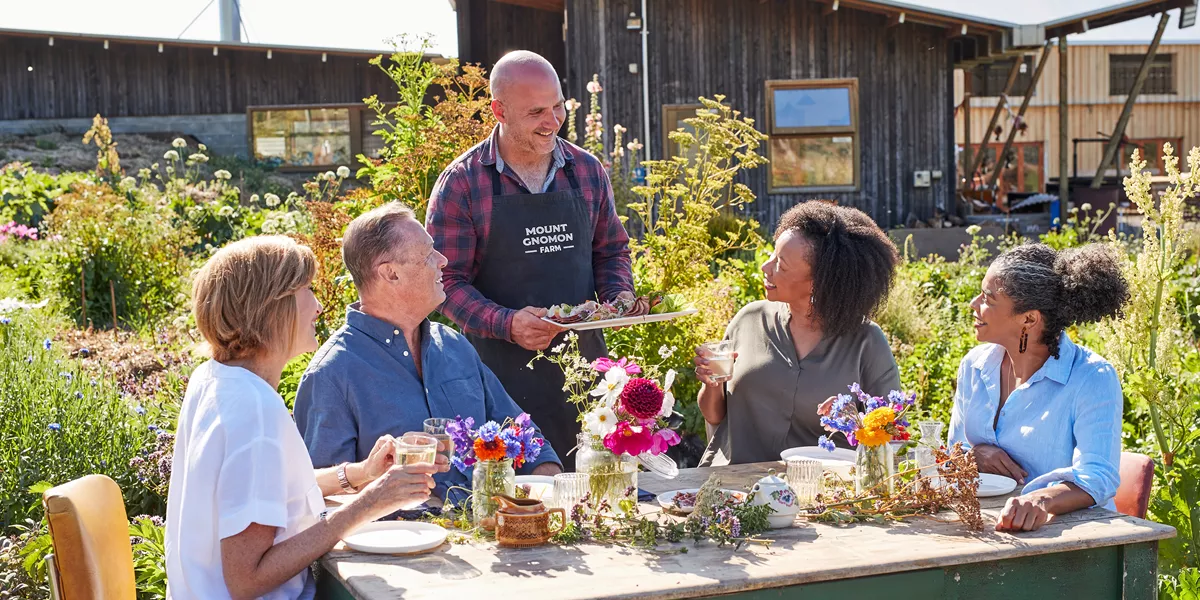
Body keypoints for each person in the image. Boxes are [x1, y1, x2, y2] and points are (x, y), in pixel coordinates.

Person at [166, 236, 446, 599]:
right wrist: (367, 504)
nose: (317, 306)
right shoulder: (255, 412)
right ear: (271, 307)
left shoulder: (215, 379)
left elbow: (265, 487)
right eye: (307, 290)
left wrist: (358, 475)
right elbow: (246, 579)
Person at [425, 50, 638, 469]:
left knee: (593, 499)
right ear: (498, 110)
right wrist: (508, 323)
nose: (553, 120)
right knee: (515, 509)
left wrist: (618, 299)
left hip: (584, 375)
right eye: (536, 111)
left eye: (557, 105)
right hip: (498, 378)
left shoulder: (587, 170)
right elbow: (444, 284)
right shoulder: (464, 183)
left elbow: (611, 249)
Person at [295, 203, 562, 507]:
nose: (443, 261)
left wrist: (549, 492)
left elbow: (524, 436)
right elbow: (321, 498)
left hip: (489, 536)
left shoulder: (455, 347)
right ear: (391, 273)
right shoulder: (331, 374)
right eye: (428, 254)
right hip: (399, 548)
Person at [696, 201, 902, 465]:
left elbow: (891, 434)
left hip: (820, 495)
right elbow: (715, 416)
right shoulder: (749, 320)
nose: (765, 268)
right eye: (772, 255)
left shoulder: (866, 342)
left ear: (820, 281)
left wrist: (852, 418)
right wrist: (711, 385)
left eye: (781, 264)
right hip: (733, 489)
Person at [949, 243, 1129, 532]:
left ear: (1029, 319)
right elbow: (950, 455)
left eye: (988, 299)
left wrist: (1040, 501)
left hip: (1071, 539)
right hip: (985, 527)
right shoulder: (974, 366)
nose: (974, 304)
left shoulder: (1092, 377)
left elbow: (1097, 477)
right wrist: (973, 455)